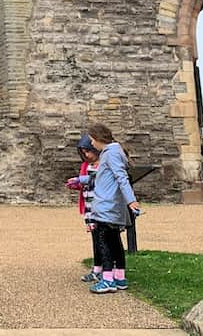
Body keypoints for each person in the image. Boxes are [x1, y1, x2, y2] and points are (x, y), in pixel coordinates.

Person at [86, 122, 140, 294]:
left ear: (97, 138)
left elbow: (121, 177)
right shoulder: (113, 152)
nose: (91, 144)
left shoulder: (110, 154)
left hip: (106, 207)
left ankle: (107, 279)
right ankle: (120, 277)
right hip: (110, 205)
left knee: (105, 243)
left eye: (91, 140)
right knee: (115, 241)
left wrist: (131, 200)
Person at [65, 134, 102, 282]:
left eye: (88, 151)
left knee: (104, 240)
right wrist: (76, 184)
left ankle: (108, 270)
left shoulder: (103, 163)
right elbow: (83, 181)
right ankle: (97, 268)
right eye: (83, 152)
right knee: (95, 238)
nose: (86, 155)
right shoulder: (86, 165)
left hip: (101, 208)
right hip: (89, 209)